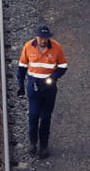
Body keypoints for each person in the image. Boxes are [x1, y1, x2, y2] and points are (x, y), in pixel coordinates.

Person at [14, 25, 67, 158]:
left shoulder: (57, 48)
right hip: (34, 88)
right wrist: (20, 85)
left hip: (49, 90)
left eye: (46, 38)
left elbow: (63, 66)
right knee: (33, 115)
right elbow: (21, 67)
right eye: (41, 38)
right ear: (36, 36)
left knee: (45, 118)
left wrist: (53, 78)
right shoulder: (28, 47)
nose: (43, 40)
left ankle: (44, 146)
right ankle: (32, 143)